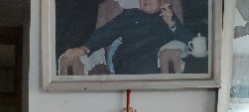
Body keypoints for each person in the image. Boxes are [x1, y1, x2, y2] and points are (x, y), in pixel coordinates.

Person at [61, 0, 193, 75]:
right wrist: (84, 48)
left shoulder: (168, 16)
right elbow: (106, 31)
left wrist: (172, 24)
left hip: (156, 64)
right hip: (128, 63)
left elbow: (190, 42)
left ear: (162, 1)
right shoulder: (130, 14)